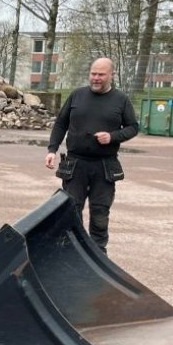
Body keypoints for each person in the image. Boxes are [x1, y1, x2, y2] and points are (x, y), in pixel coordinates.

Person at [44, 57, 139, 253]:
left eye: (101, 74)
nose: (96, 78)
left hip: (104, 165)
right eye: (93, 73)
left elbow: (133, 127)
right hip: (75, 164)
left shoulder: (121, 100)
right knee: (71, 210)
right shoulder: (77, 95)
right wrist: (52, 150)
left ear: (111, 75)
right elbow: (61, 123)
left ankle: (98, 255)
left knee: (100, 213)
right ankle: (71, 252)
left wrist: (112, 137)